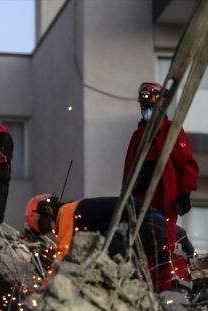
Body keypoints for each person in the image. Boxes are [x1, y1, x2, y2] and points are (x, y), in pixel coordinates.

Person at [123, 82, 199, 291]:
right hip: (138, 204)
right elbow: (129, 171)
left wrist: (184, 193)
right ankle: (143, 290)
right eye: (143, 107)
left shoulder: (170, 131)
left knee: (163, 249)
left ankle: (163, 291)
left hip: (163, 203)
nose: (145, 111)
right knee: (139, 248)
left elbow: (188, 164)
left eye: (149, 107)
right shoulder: (138, 136)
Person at [25, 194, 167, 269]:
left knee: (98, 254)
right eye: (44, 231)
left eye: (43, 226)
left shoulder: (66, 212)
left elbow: (63, 255)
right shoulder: (76, 210)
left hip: (146, 224)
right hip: (154, 225)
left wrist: (47, 288)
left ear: (47, 210)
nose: (48, 230)